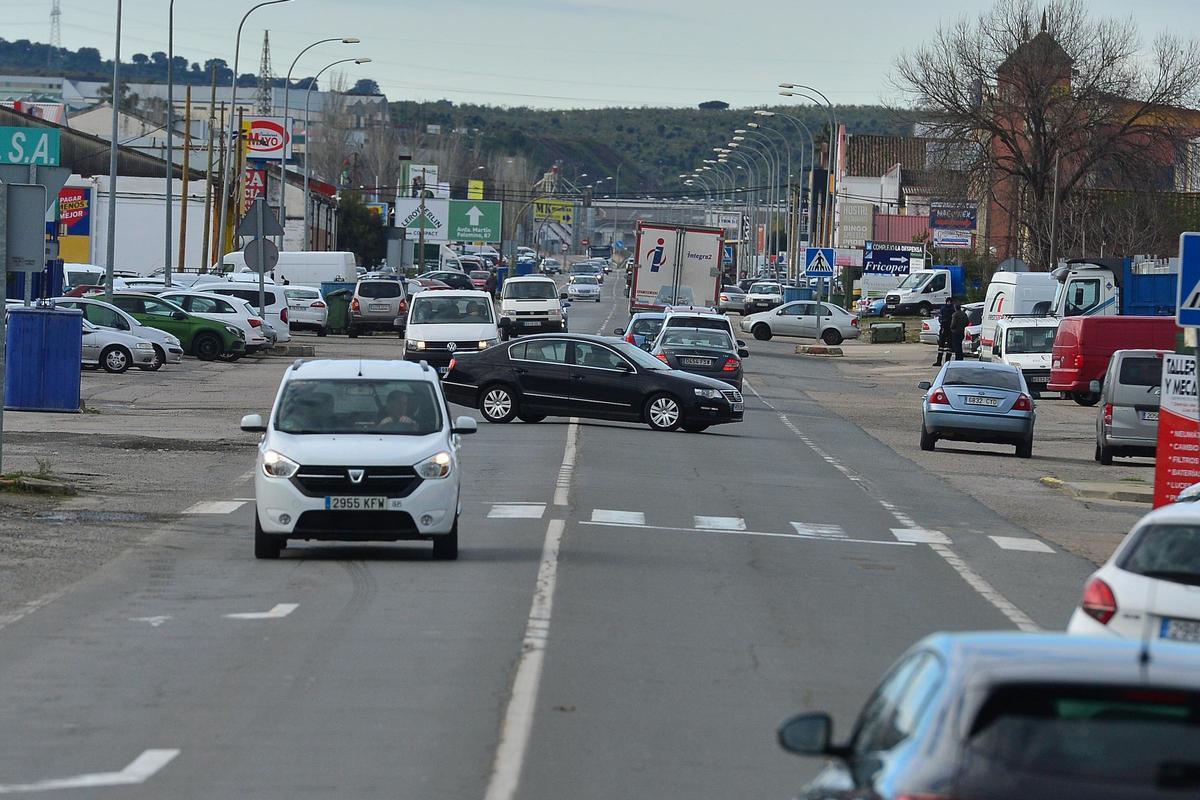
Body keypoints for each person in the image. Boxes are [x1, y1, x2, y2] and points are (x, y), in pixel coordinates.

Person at [933, 298, 955, 366]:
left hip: (945, 328)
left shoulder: (944, 308)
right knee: (945, 346)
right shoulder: (952, 309)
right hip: (948, 329)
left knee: (944, 346)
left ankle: (941, 361)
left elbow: (940, 318)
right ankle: (945, 362)